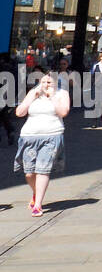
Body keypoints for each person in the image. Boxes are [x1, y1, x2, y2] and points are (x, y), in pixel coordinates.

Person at [14, 71, 70, 216]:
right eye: (43, 82)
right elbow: (19, 113)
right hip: (29, 136)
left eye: (49, 82)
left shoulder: (62, 94)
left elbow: (63, 112)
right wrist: (33, 95)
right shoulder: (33, 93)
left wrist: (51, 97)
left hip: (52, 135)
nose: (46, 85)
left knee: (42, 170)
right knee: (29, 173)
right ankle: (36, 192)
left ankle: (38, 205)